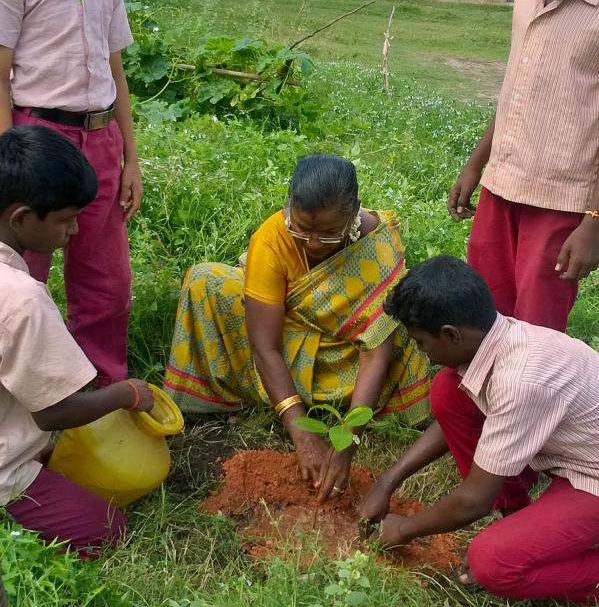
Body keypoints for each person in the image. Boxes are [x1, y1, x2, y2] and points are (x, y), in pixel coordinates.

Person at [165, 153, 430, 501]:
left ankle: (322, 396)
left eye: (329, 232)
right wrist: (301, 432)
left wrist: (349, 440)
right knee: (204, 282)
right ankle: (280, 396)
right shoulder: (271, 239)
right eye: (302, 230)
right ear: (289, 208)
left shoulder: (376, 244)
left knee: (398, 335)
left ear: (354, 214)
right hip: (284, 341)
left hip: (346, 356)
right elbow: (265, 346)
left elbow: (375, 354)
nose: (314, 243)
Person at [358, 256, 599, 604]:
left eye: (421, 343)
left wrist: (403, 529)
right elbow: (449, 422)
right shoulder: (499, 339)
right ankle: (518, 520)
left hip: (591, 477)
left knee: (493, 563)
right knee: (447, 390)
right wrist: (386, 482)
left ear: (451, 335)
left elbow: (472, 502)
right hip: (578, 457)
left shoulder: (519, 380)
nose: (422, 354)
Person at [0, 0, 142, 386]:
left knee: (107, 281)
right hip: (38, 139)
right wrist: (8, 161)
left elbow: (116, 72)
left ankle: (101, 393)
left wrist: (131, 157)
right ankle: (28, 396)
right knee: (20, 275)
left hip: (101, 140)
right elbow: (1, 75)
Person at [447, 0, 599, 332]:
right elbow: (519, 85)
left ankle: (531, 406)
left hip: (562, 199)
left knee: (534, 332)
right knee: (485, 317)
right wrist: (477, 165)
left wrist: (594, 220)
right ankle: (486, 403)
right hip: (502, 184)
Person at [0, 126, 153, 557]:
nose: (75, 230)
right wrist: (125, 393)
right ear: (22, 218)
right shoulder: (21, 298)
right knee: (107, 529)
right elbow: (55, 413)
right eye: (66, 219)